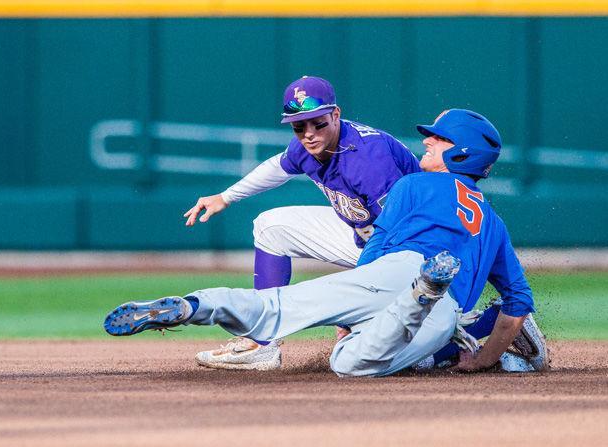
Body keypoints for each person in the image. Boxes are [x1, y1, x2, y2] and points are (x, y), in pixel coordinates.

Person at [104, 109, 545, 376]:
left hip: (391, 269)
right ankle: (439, 319)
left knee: (284, 307)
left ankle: (195, 306)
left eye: (440, 138)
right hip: (443, 309)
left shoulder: (413, 185)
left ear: (462, 151)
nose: (428, 140)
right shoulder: (494, 222)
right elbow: (518, 301)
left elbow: (380, 246)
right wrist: (486, 359)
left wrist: (351, 307)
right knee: (351, 364)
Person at [182, 76, 420, 370]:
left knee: (375, 344)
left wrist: (357, 294)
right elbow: (278, 167)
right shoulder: (308, 145)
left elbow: (397, 230)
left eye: (317, 122)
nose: (308, 133)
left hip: (410, 250)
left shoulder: (368, 160)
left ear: (336, 114)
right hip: (365, 236)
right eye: (299, 126)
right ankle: (262, 343)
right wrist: (226, 196)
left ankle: (446, 336)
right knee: (271, 226)